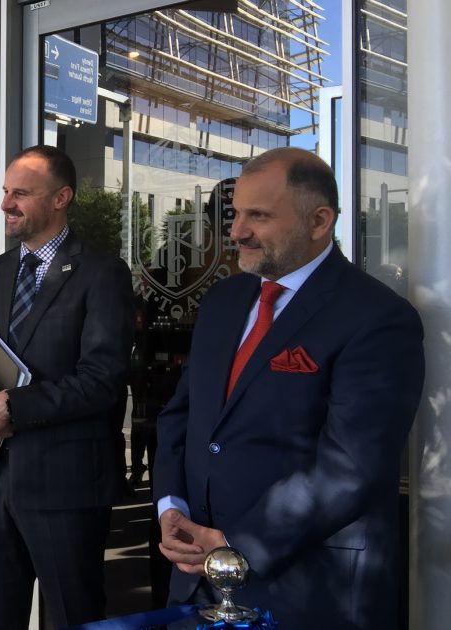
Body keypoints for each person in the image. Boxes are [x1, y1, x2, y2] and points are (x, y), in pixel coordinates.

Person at [154, 148, 425, 627]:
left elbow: (350, 469)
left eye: (258, 216)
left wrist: (239, 547)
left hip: (310, 591)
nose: (236, 231)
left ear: (319, 221)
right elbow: (184, 416)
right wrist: (170, 508)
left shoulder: (377, 318)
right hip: (198, 578)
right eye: (236, 213)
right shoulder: (223, 301)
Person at [0, 145, 136, 629]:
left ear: (60, 198)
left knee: (71, 617)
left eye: (21, 193)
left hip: (66, 485)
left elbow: (102, 381)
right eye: (6, 192)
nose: (6, 203)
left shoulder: (102, 273)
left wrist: (13, 406)